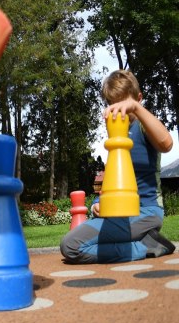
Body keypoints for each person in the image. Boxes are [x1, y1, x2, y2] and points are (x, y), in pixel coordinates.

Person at [60, 70, 175, 264]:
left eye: (124, 104)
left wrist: (137, 108)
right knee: (70, 244)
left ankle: (146, 247)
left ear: (138, 99)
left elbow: (167, 144)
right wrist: (98, 202)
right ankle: (143, 241)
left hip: (146, 212)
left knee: (72, 247)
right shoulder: (116, 133)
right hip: (119, 214)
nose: (119, 110)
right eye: (113, 105)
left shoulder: (142, 126)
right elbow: (113, 180)